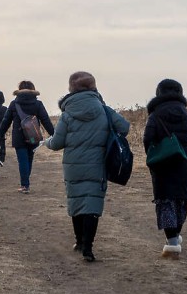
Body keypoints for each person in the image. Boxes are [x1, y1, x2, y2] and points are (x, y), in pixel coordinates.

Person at [45, 71, 130, 262]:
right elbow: (125, 127)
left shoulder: (67, 114)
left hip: (73, 166)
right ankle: (88, 248)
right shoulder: (104, 110)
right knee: (92, 203)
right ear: (93, 87)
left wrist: (46, 142)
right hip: (98, 164)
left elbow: (57, 143)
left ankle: (79, 241)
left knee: (76, 201)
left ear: (71, 88)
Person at [143, 78, 187, 259]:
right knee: (181, 200)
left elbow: (147, 140)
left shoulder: (154, 115)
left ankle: (172, 241)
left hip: (162, 165)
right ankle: (175, 236)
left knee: (166, 201)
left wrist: (153, 156)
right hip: (184, 162)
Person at [0, 80, 55, 194]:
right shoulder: (38, 104)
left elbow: (6, 120)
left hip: (19, 136)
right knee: (29, 159)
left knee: (22, 160)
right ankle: (25, 182)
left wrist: (0, 134)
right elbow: (45, 120)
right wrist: (54, 134)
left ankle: (25, 185)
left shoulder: (14, 104)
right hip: (33, 136)